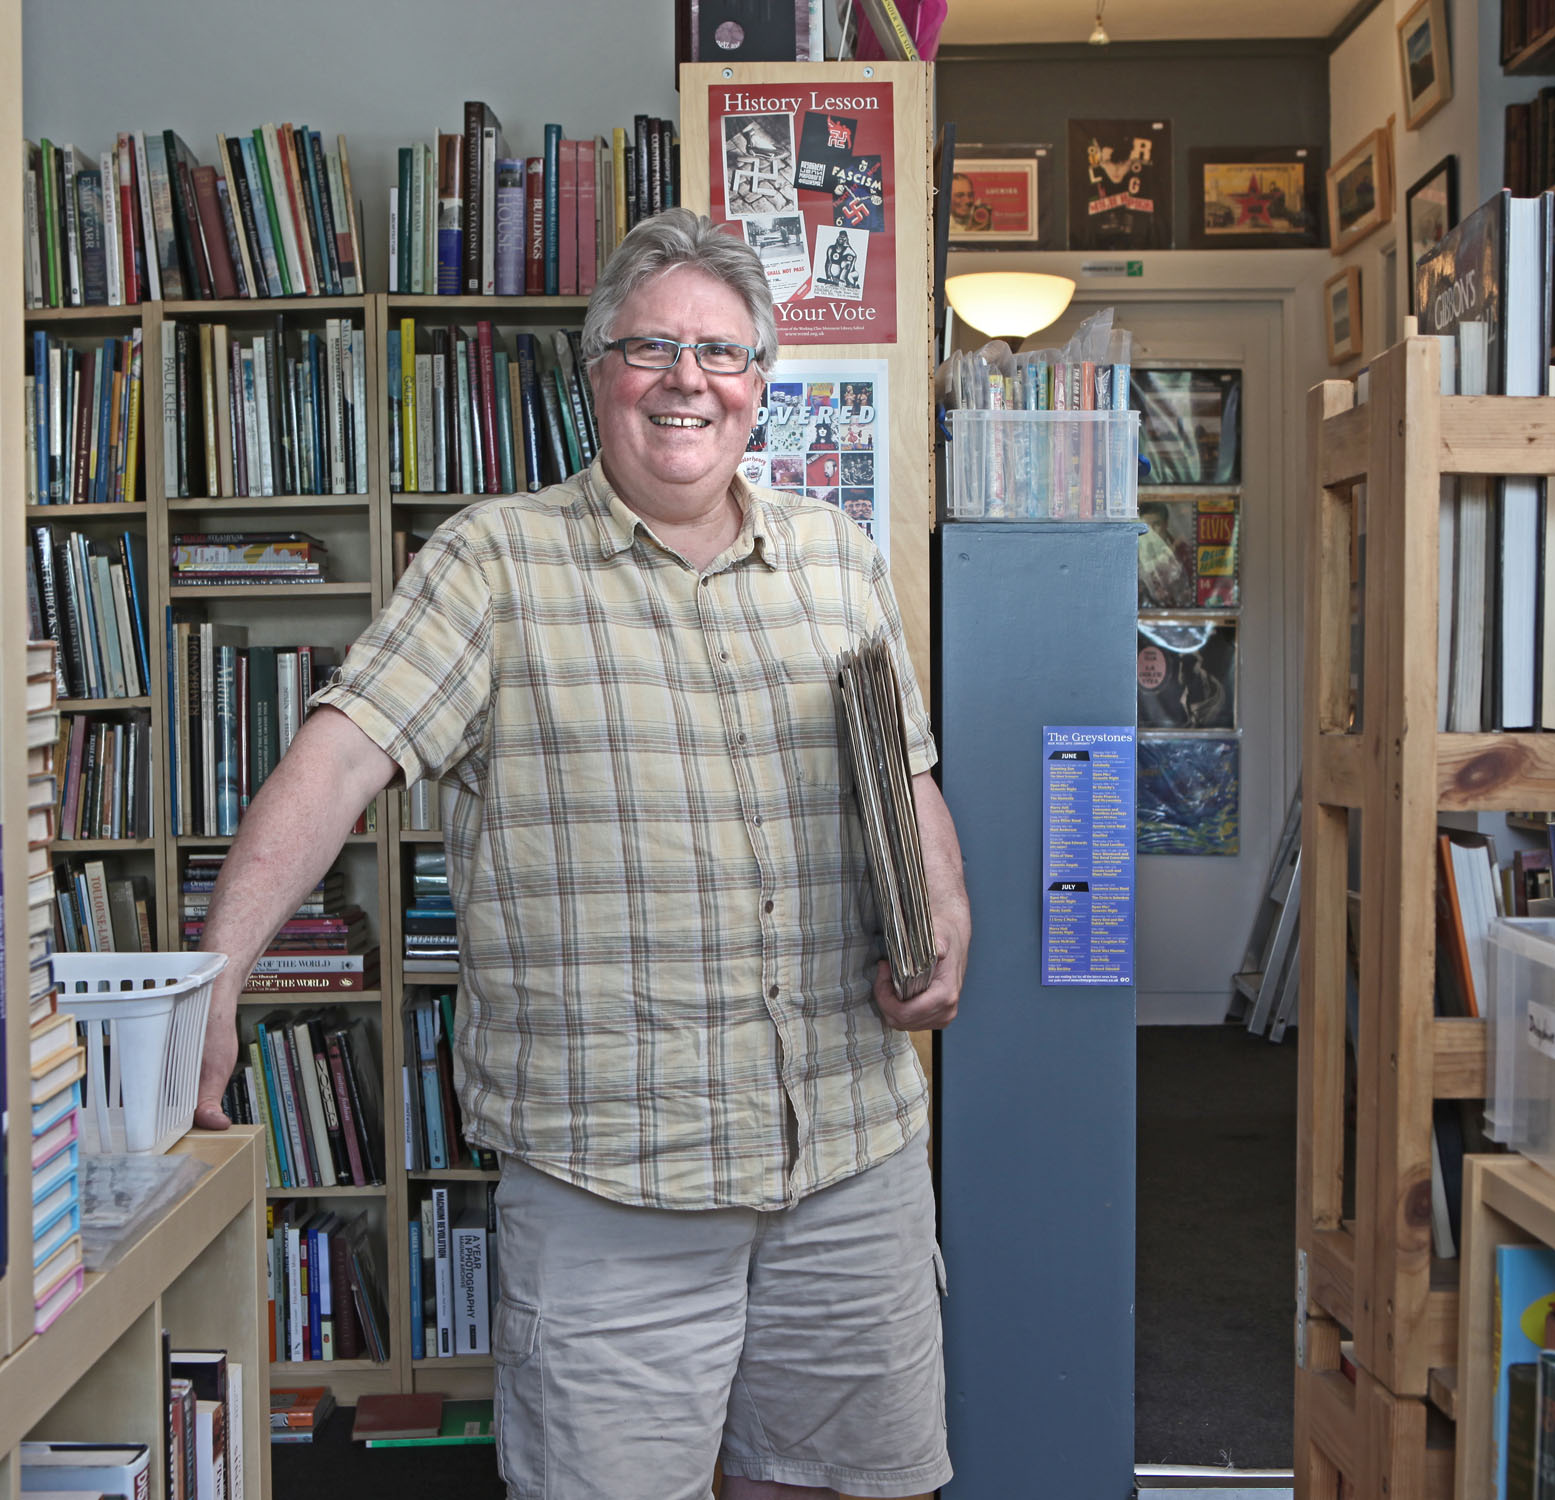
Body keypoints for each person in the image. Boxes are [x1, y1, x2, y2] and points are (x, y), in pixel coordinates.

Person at [190, 206, 970, 1500]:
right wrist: (215, 982)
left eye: (721, 355)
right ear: (595, 369)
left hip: (851, 1160)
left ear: (760, 385)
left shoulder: (836, 559)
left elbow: (909, 781)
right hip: (614, 1182)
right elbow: (336, 757)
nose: (687, 382)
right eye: (650, 347)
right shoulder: (491, 563)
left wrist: (944, 926)